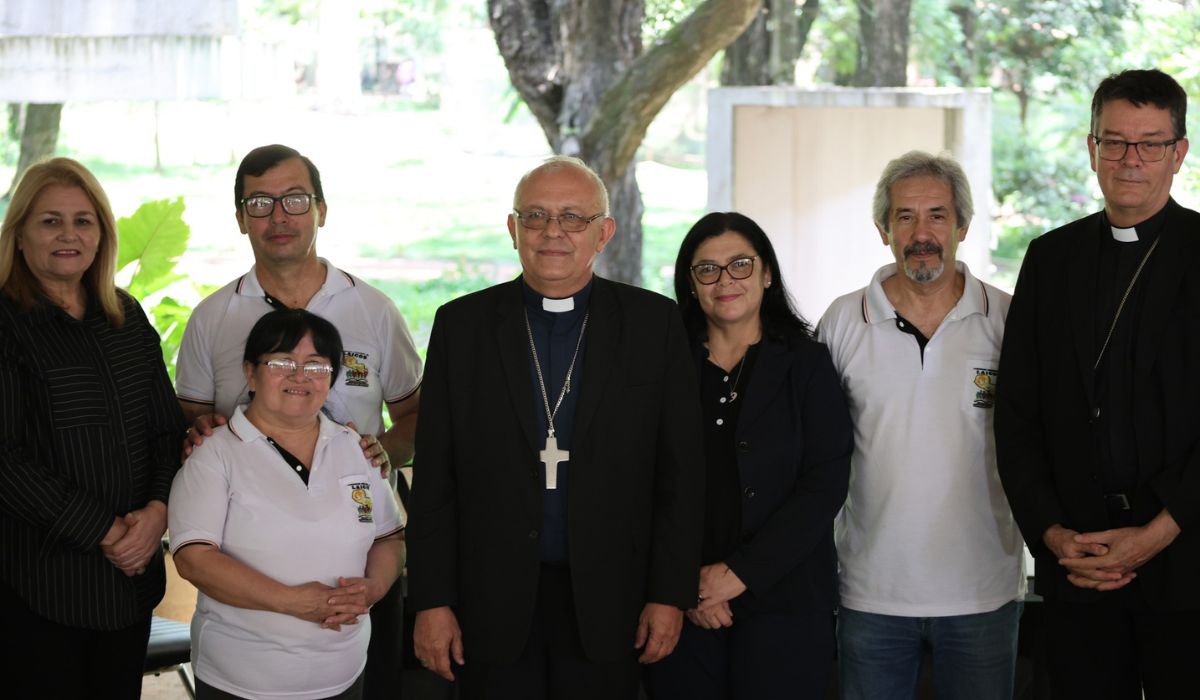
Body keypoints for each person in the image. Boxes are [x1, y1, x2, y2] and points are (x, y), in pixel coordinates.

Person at [407, 156, 706, 699]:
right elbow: (434, 478)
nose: (552, 232)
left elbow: (680, 475)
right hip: (490, 602)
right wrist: (431, 600)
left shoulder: (652, 325)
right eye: (537, 215)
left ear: (603, 233)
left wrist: (669, 594)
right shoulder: (463, 326)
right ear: (512, 228)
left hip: (613, 600)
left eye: (573, 218)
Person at [175, 144, 421, 698]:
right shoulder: (213, 318)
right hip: (250, 589)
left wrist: (381, 450)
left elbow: (414, 416)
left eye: (294, 199)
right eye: (259, 203)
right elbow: (191, 421)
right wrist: (196, 433)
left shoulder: (373, 310)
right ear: (240, 218)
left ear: (322, 209)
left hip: (360, 552)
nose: (278, 216)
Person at [995, 68, 1200, 697]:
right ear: (1091, 149)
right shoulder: (1051, 258)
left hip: (1188, 559)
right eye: (1113, 141)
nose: (1130, 159)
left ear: (1179, 153)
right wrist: (1054, 535)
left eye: (1150, 143)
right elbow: (1016, 415)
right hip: (1077, 561)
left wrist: (1159, 532)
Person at [818, 151, 1026, 699]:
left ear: (962, 225)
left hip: (984, 591)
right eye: (905, 216)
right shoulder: (842, 322)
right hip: (870, 593)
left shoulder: (1009, 319)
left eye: (937, 214)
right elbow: (814, 452)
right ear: (883, 229)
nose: (922, 232)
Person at [641, 212, 852, 699]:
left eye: (740, 264)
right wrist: (687, 584)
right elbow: (644, 480)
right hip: (680, 603)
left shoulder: (808, 364)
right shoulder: (662, 367)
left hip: (788, 601)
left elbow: (825, 484)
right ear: (691, 284)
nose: (725, 280)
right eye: (707, 269)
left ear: (767, 273)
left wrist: (737, 576)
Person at [0, 157, 186, 698]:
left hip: (130, 587)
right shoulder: (6, 322)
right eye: (50, 221)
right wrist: (105, 533)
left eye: (84, 220)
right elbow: (4, 459)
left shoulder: (125, 317)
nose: (69, 235)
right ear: (19, 234)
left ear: (102, 234)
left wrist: (156, 514)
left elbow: (165, 431)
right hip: (35, 588)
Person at [169, 308, 405, 700]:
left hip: (344, 672)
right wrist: (294, 601)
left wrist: (373, 588)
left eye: (316, 365)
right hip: (244, 679)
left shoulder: (355, 448)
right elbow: (194, 558)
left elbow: (390, 537)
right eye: (282, 362)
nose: (300, 376)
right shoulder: (215, 454)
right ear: (250, 372)